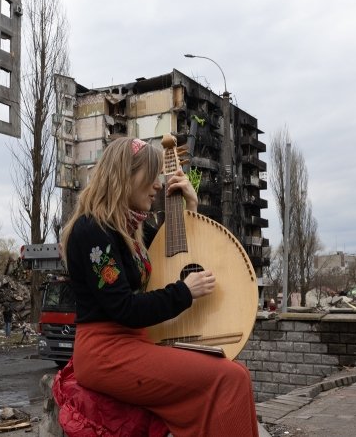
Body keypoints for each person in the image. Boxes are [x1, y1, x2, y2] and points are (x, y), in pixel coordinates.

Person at [56, 137, 259, 436]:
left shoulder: (131, 228)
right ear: (126, 175)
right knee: (228, 379)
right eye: (151, 176)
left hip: (133, 343)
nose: (157, 185)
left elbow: (183, 249)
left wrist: (190, 205)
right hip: (105, 352)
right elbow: (124, 309)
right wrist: (184, 292)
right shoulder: (92, 231)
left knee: (237, 372)